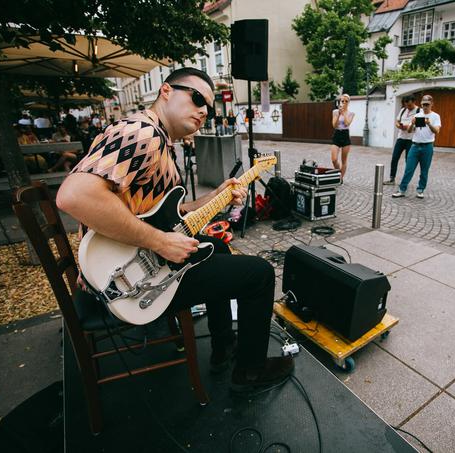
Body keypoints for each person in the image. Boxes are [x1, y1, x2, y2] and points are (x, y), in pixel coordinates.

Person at [56, 67, 293, 392]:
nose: (202, 111)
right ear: (166, 91)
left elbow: (164, 214)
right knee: (260, 274)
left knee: (218, 248)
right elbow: (74, 195)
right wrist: (160, 242)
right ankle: (250, 371)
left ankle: (223, 348)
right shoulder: (143, 134)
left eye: (208, 106)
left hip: (124, 268)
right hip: (128, 279)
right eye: (196, 98)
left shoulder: (159, 141)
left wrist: (215, 198)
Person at [392, 94, 441, 199]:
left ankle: (420, 190)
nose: (425, 107)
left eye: (427, 104)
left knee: (424, 170)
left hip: (427, 146)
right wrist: (412, 124)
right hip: (414, 145)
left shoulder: (435, 116)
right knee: (408, 169)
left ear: (432, 104)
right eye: (423, 104)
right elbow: (409, 131)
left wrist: (428, 124)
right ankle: (402, 189)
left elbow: (436, 131)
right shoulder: (417, 115)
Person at [384, 95, 418, 185]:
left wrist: (409, 127)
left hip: (411, 139)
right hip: (401, 138)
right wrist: (399, 125)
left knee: (409, 160)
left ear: (414, 102)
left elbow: (420, 126)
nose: (408, 107)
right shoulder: (403, 110)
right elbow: (397, 121)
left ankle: (405, 181)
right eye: (406, 105)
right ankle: (392, 179)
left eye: (410, 105)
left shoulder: (419, 111)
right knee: (394, 158)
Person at [330, 94, 355, 180]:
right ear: (340, 102)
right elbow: (334, 125)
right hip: (337, 134)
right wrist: (338, 115)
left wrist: (344, 114)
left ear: (349, 103)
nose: (344, 102)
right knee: (334, 159)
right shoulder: (335, 112)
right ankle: (337, 172)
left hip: (345, 135)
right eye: (342, 101)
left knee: (344, 160)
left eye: (346, 101)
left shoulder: (351, 113)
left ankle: (340, 178)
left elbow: (347, 123)